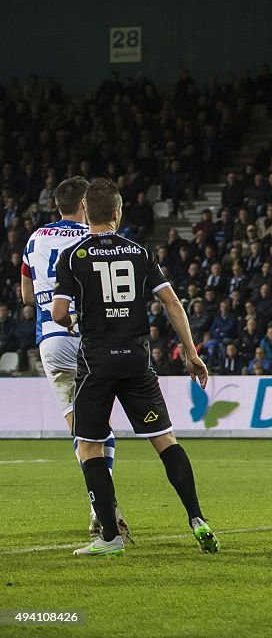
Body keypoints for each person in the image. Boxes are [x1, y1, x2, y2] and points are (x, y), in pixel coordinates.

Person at [50, 178, 218, 557]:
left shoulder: (73, 257)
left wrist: (72, 321)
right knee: (165, 441)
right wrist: (191, 353)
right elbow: (172, 303)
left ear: (85, 212)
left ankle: (109, 537)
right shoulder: (139, 253)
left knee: (89, 446)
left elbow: (58, 312)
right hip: (137, 362)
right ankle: (197, 518)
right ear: (117, 212)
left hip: (96, 364)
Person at [21, 176, 132, 538]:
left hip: (51, 342)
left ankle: (103, 505)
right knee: (98, 428)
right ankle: (103, 506)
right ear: (86, 204)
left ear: (57, 205)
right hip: (89, 340)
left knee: (81, 429)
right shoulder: (93, 239)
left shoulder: (35, 238)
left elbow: (25, 295)